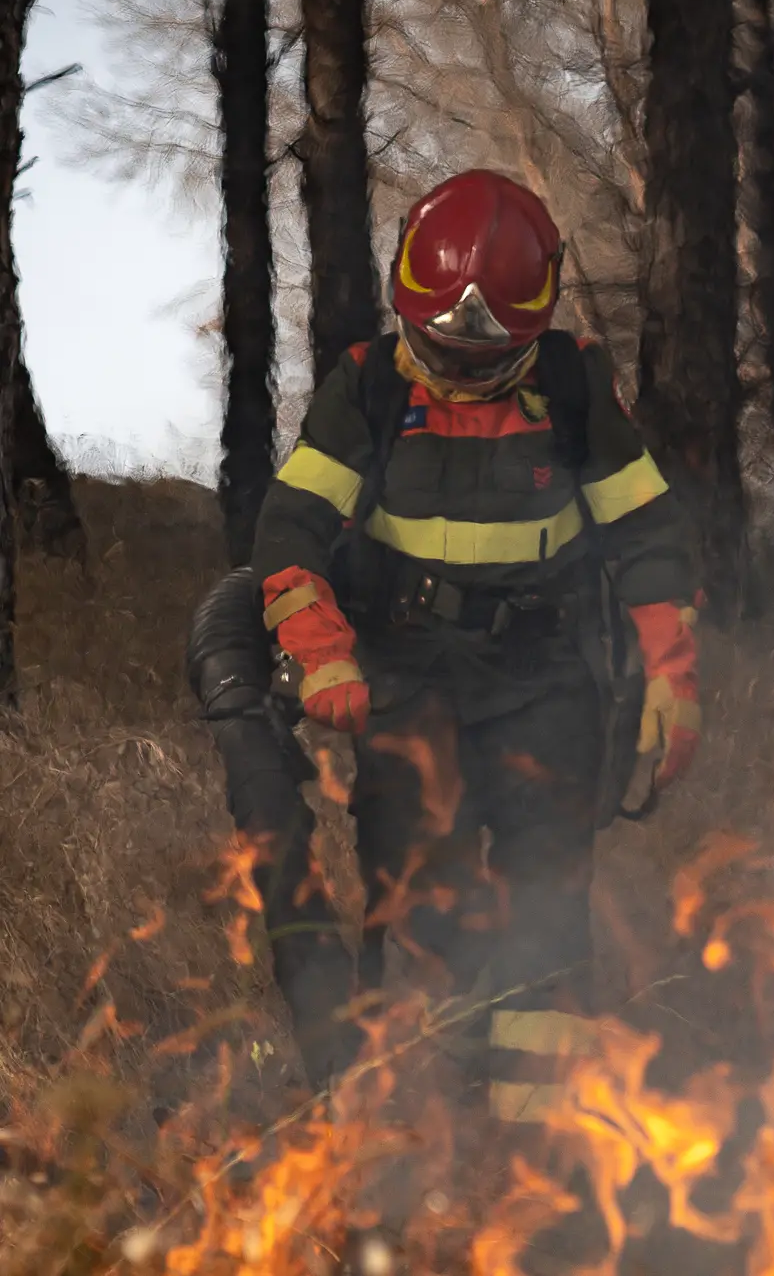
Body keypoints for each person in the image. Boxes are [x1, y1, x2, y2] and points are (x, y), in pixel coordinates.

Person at [245, 169, 702, 1141]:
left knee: (545, 901)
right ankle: (436, 1127)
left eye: (477, 356)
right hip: (408, 680)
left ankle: (534, 1150)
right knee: (425, 905)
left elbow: (648, 537)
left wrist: (671, 673)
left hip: (547, 682)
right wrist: (322, 653)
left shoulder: (574, 385)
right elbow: (290, 530)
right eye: (438, 347)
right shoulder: (367, 386)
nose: (451, 368)